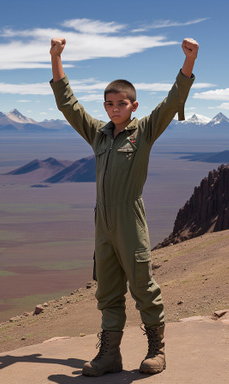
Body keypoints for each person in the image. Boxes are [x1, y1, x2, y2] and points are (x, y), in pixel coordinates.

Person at [49, 37, 199, 376]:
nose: (114, 108)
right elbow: (68, 104)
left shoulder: (143, 131)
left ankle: (156, 350)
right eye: (109, 103)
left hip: (130, 220)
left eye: (121, 103)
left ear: (133, 105)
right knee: (108, 290)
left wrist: (190, 61)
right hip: (102, 224)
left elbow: (173, 100)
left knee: (143, 286)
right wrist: (56, 58)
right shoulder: (98, 135)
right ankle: (110, 355)